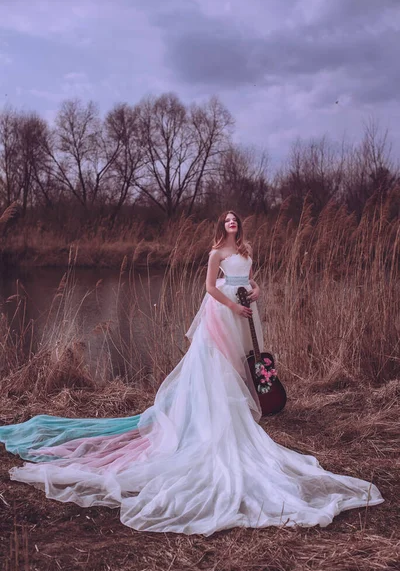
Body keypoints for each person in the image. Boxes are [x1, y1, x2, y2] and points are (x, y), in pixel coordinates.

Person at [0, 211, 384, 536]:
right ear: (223, 226)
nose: (232, 223)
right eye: (228, 219)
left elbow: (250, 282)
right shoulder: (216, 252)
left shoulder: (246, 251)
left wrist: (255, 293)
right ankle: (213, 417)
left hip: (245, 310)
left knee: (241, 362)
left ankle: (235, 406)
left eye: (236, 219)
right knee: (218, 365)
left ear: (240, 227)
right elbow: (208, 287)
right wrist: (233, 308)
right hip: (223, 314)